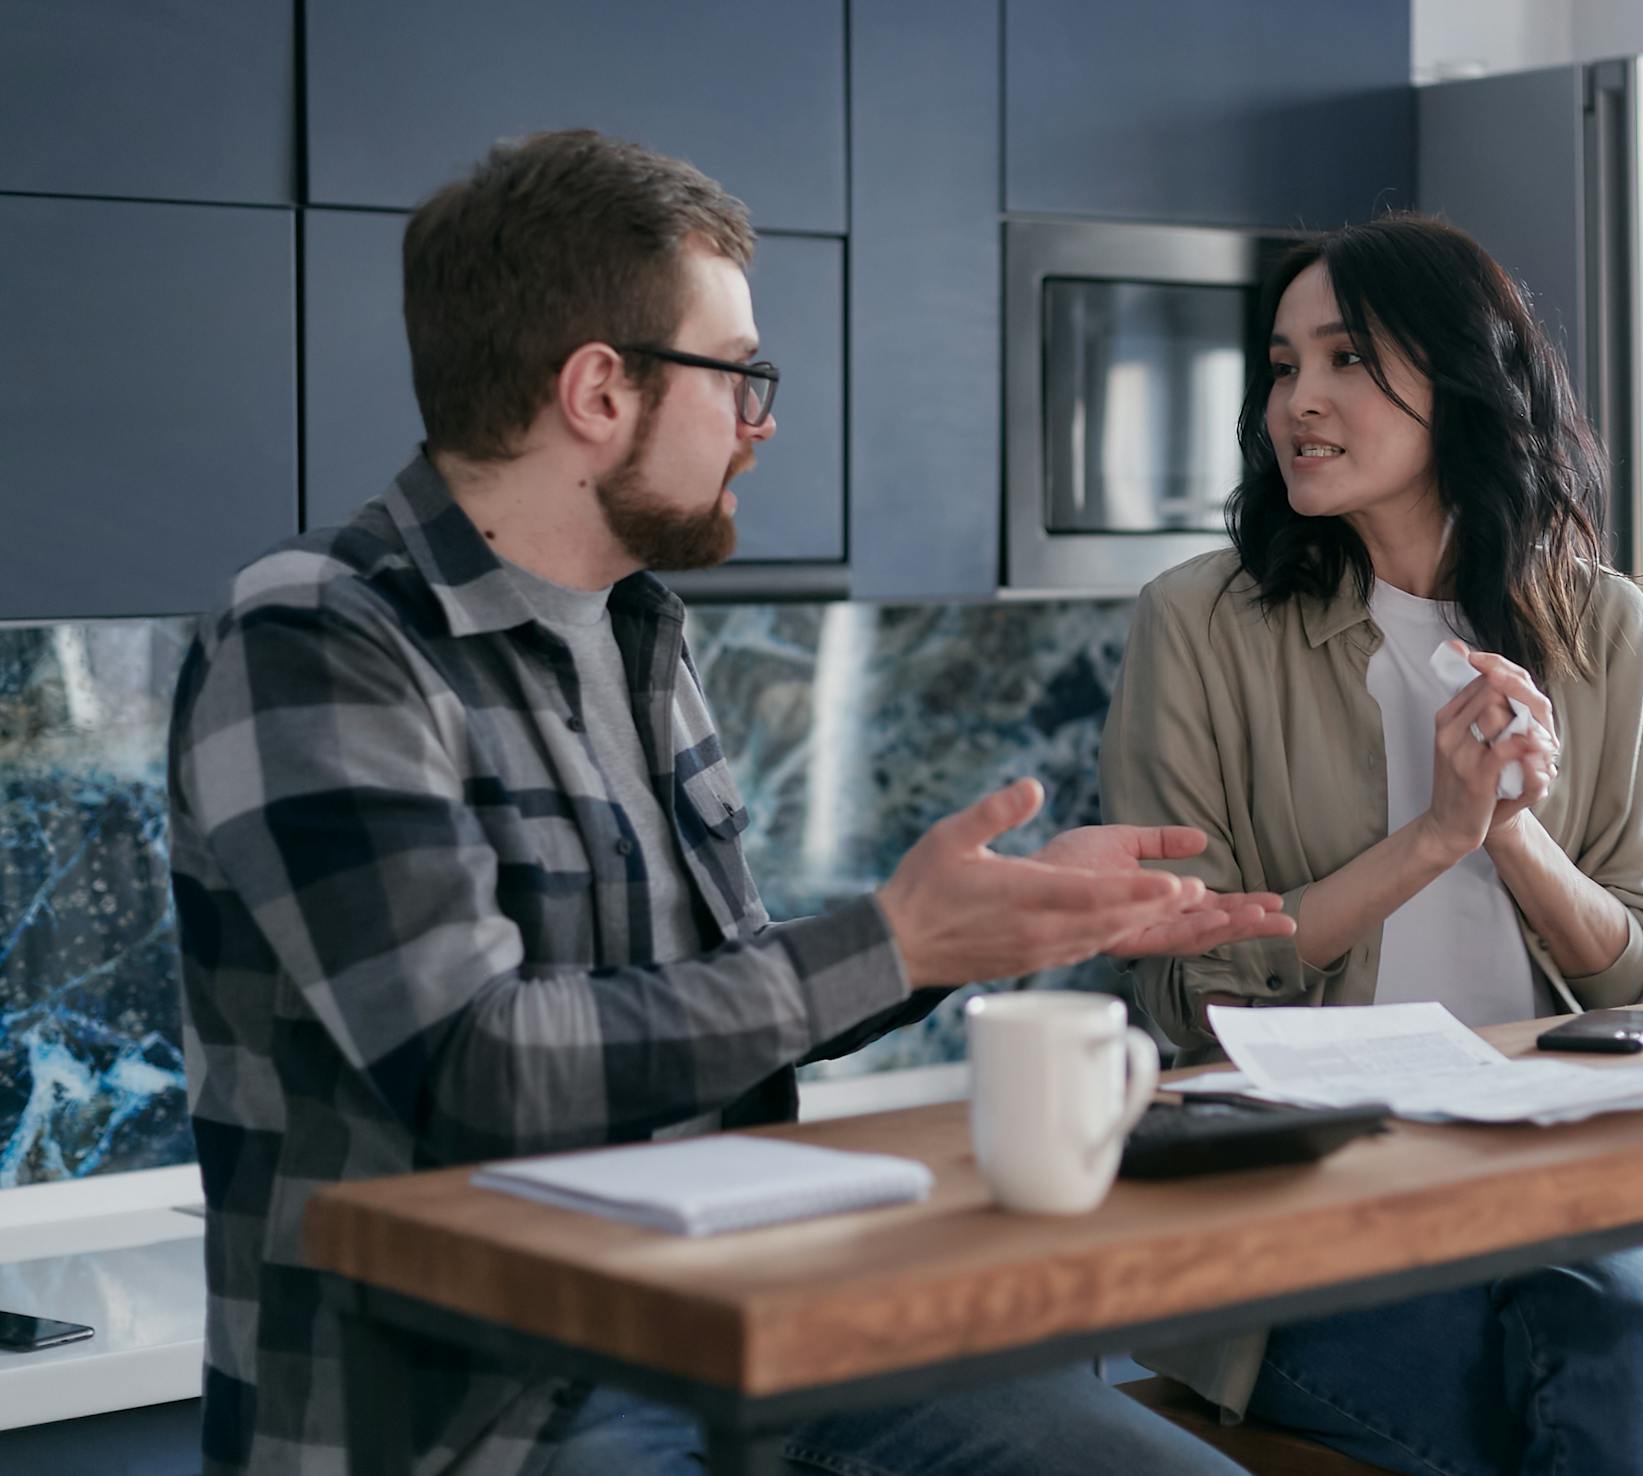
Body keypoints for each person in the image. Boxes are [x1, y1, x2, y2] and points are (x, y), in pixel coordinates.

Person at [170, 129, 1294, 1476]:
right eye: (740, 376)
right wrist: (899, 937)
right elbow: (476, 1067)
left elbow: (719, 1005)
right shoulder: (314, 637)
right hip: (478, 1402)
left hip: (746, 1325)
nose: (759, 425)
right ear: (598, 389)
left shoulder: (641, 629)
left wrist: (995, 919)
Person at [1098, 214, 1643, 1474]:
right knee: (1551, 1432)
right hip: (1298, 1214)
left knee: (1633, 1354)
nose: (1297, 403)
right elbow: (1178, 988)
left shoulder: (1609, 630)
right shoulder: (1197, 626)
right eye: (1282, 367)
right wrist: (1432, 839)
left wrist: (1513, 835)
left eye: (1345, 359)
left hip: (1557, 1191)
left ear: (1463, 380)